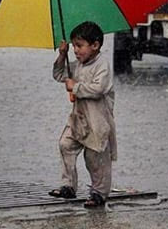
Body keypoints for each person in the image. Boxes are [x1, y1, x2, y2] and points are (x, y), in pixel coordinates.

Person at [49, 21, 117, 209]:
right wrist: (62, 55)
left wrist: (76, 87)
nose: (76, 51)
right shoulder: (77, 65)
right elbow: (58, 74)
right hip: (79, 119)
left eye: (80, 46)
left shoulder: (102, 65)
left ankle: (99, 192)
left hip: (97, 121)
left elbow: (98, 89)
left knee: (95, 158)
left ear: (95, 45)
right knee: (66, 145)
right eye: (74, 46)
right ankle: (68, 185)